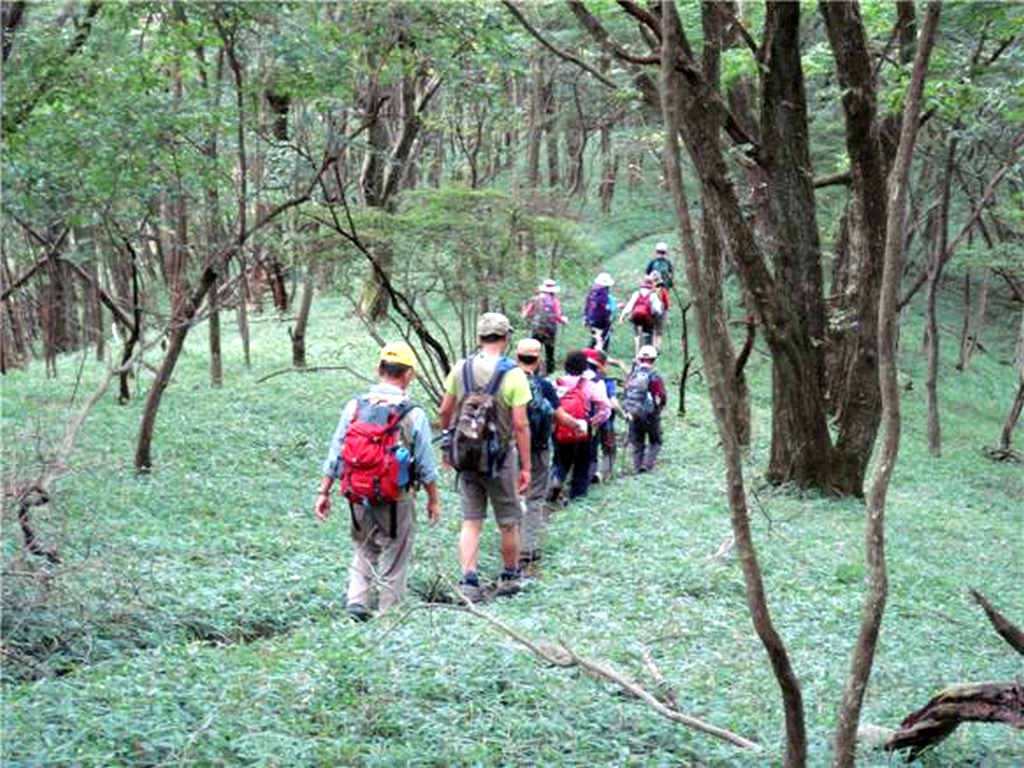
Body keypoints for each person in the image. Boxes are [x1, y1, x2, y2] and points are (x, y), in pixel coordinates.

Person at [315, 342, 441, 621]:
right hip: (396, 497)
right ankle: (389, 614)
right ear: (408, 375)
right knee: (395, 553)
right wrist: (433, 499)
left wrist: (324, 492)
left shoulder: (354, 408)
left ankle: (357, 603)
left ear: (378, 369)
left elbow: (336, 452)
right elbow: (426, 465)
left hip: (357, 492)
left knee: (363, 545)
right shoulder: (412, 413)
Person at [438, 313, 532, 602]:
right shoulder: (514, 374)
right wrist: (526, 466)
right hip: (501, 458)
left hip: (466, 457)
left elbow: (444, 411)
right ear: (505, 340)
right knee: (507, 520)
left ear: (480, 338)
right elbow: (520, 424)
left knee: (471, 520)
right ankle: (510, 576)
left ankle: (468, 580)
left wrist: (447, 444)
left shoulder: (460, 369)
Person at [515, 338, 586, 571]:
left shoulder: (507, 382)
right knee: (535, 497)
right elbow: (560, 416)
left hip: (511, 447)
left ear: (517, 358)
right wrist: (578, 425)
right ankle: (527, 548)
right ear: (538, 360)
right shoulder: (543, 386)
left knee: (514, 496)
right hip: (538, 449)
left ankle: (510, 545)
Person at [549, 350, 611, 503]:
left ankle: (556, 480)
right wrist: (593, 422)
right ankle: (577, 497)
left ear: (566, 366)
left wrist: (553, 423)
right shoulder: (590, 385)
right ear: (585, 367)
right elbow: (605, 408)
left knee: (560, 461)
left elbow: (548, 407)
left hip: (560, 429)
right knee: (582, 464)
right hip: (584, 430)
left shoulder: (556, 384)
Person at [582, 348, 624, 484]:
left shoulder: (579, 379)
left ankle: (586, 474)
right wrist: (624, 415)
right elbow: (613, 404)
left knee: (589, 451)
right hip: (606, 423)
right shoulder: (606, 382)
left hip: (586, 421)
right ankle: (602, 474)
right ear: (602, 365)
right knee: (609, 449)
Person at [623, 345, 667, 474]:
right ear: (653, 359)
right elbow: (661, 394)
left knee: (637, 443)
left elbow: (626, 390)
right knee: (656, 441)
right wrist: (660, 407)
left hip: (632, 412)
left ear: (640, 358)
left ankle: (637, 468)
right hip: (650, 414)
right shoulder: (655, 375)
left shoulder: (633, 373)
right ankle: (646, 465)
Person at [521, 279, 568, 374]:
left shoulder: (536, 299)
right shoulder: (555, 301)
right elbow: (558, 316)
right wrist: (564, 320)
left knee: (534, 351)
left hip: (536, 329)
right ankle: (550, 373)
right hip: (550, 330)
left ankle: (533, 372)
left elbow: (526, 315)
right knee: (549, 352)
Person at [619, 275, 664, 357]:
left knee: (637, 335)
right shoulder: (652, 295)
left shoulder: (636, 293)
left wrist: (622, 316)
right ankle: (647, 354)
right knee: (648, 334)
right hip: (647, 318)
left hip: (636, 317)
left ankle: (637, 353)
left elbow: (630, 305)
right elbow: (658, 309)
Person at [583, 273, 617, 353]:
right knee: (602, 342)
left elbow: (587, 306)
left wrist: (585, 318)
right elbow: (607, 309)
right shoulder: (604, 295)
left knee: (595, 339)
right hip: (602, 322)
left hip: (591, 320)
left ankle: (587, 356)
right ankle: (596, 359)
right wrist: (609, 319)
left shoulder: (592, 293)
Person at [649, 270, 671, 351]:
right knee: (659, 331)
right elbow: (667, 303)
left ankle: (652, 346)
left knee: (653, 330)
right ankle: (658, 347)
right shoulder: (663, 289)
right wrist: (667, 314)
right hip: (661, 312)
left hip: (651, 312)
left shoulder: (650, 289)